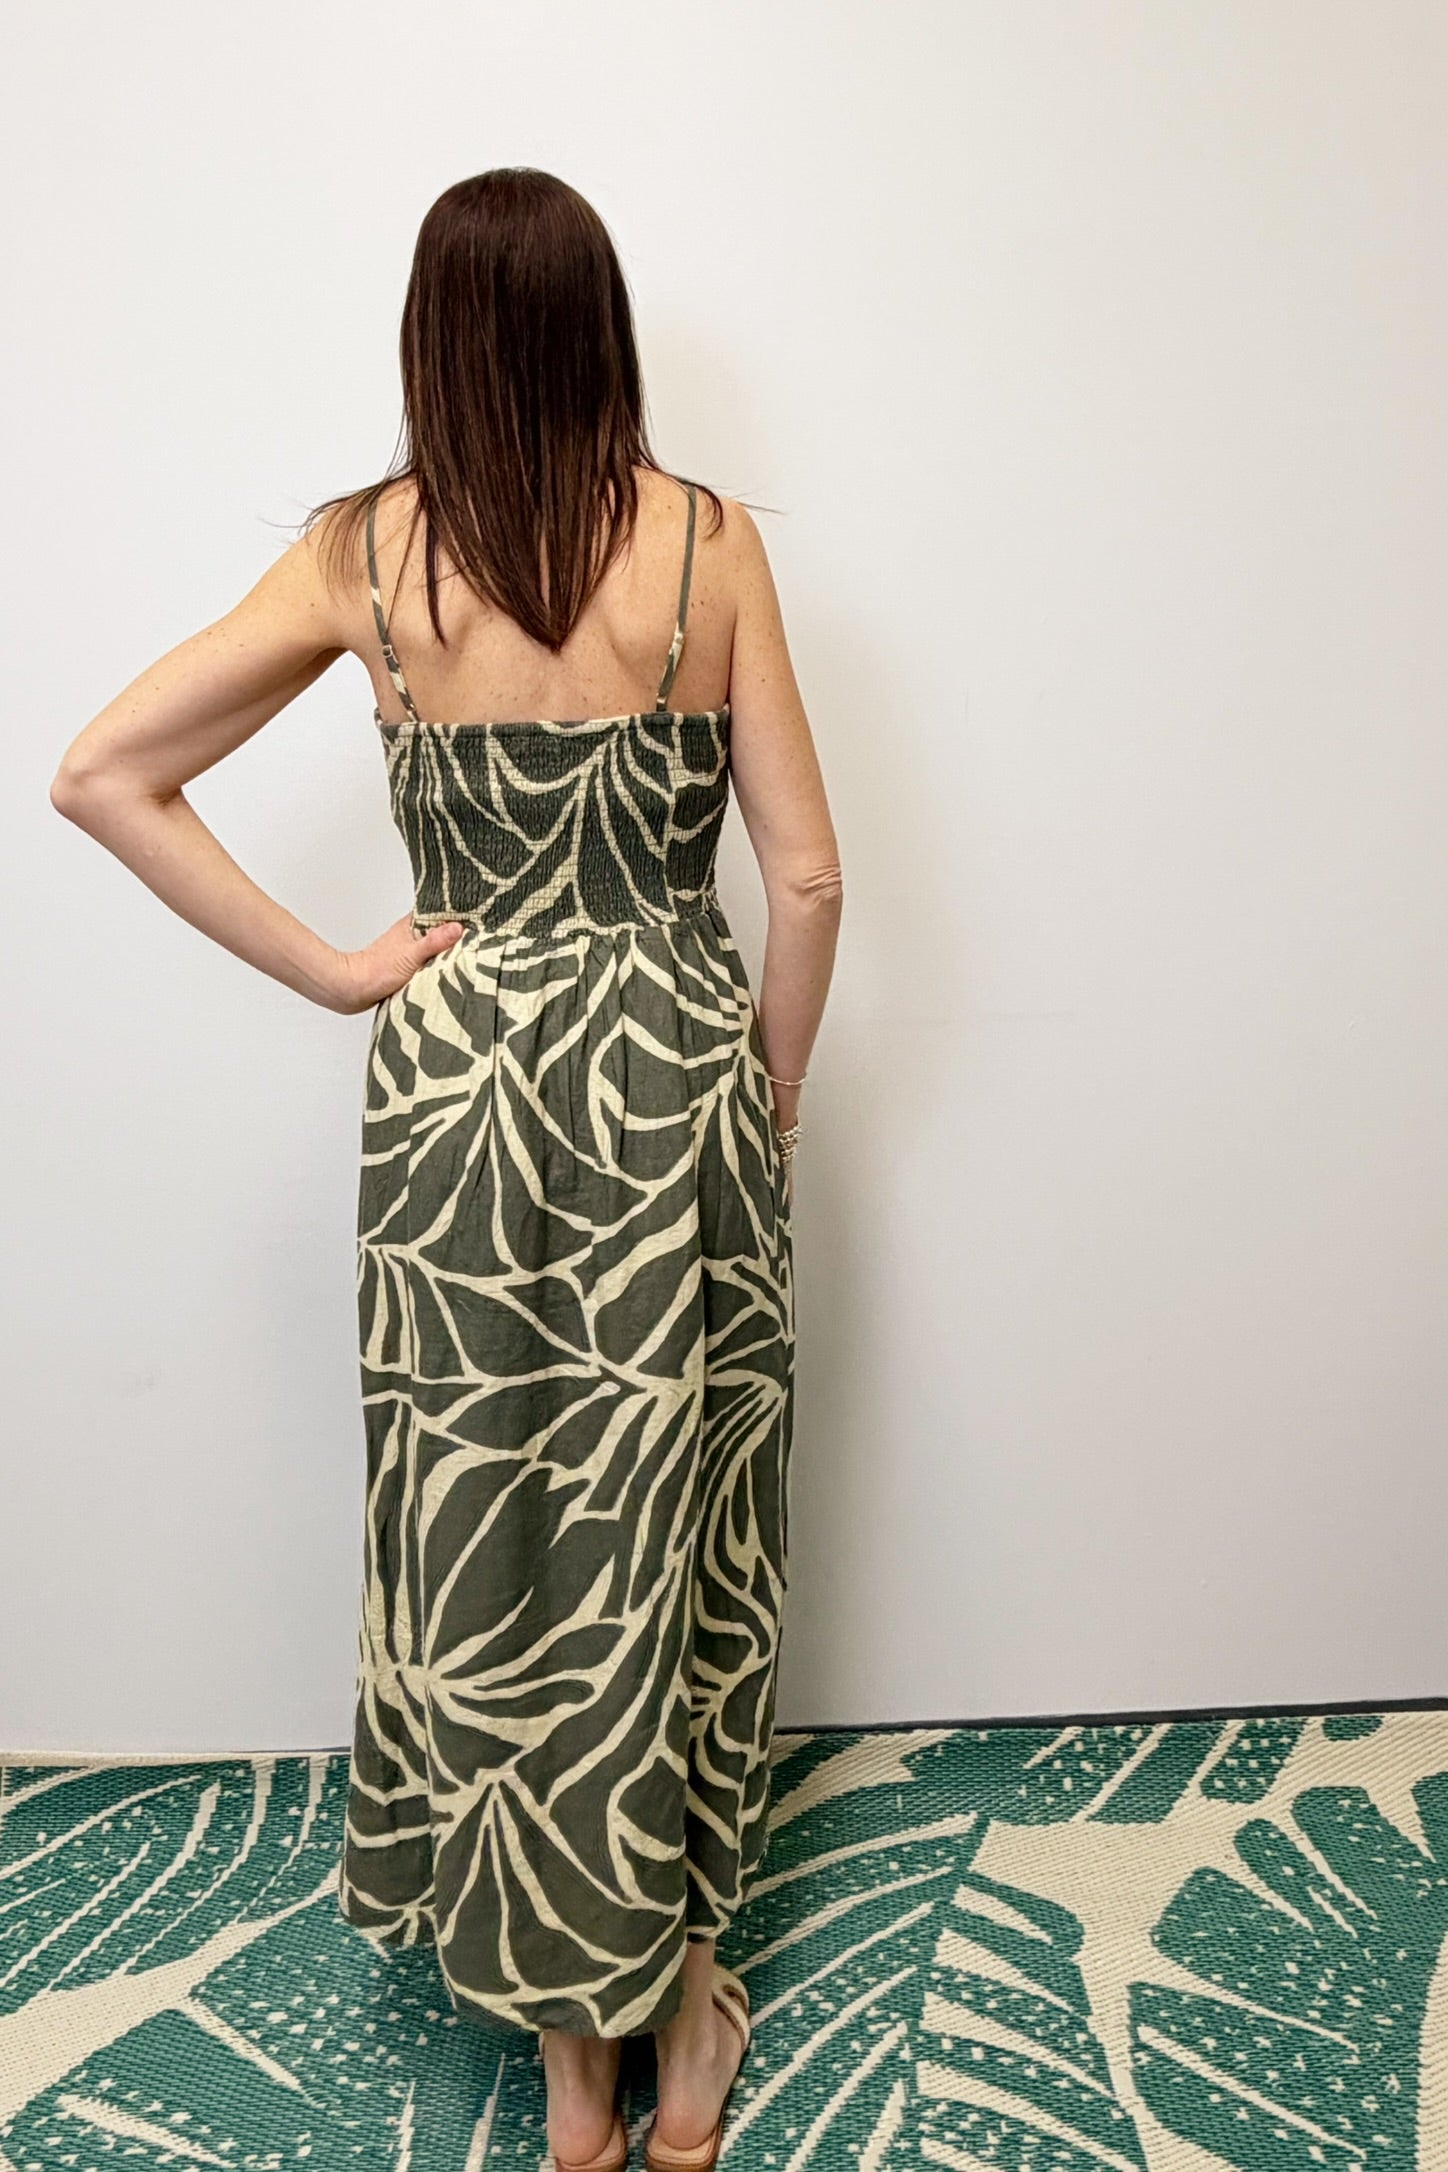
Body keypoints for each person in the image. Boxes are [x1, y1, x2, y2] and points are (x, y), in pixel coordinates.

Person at [49, 166, 843, 2172]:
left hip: (459, 1107)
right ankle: (683, 2026)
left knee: (490, 1532)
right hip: (673, 1086)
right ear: (602, 328)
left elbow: (103, 772)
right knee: (672, 1531)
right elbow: (812, 878)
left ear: (432, 339)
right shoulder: (710, 545)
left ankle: (572, 2079)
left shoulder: (366, 558)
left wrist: (343, 972)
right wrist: (770, 1093)